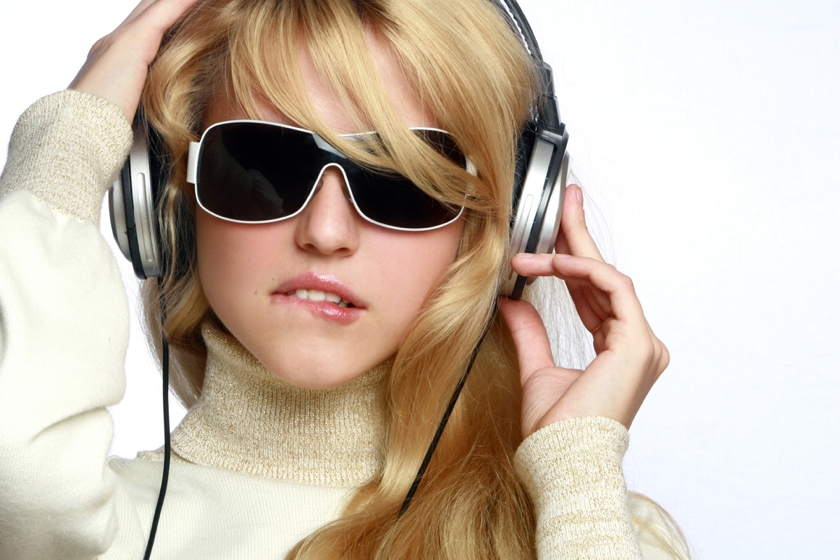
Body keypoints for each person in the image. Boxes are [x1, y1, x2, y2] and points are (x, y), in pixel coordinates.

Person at [0, 0, 690, 558]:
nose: (326, 232)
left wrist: (577, 473)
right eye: (263, 165)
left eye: (399, 180)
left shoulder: (590, 522)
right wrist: (63, 156)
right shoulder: (77, 534)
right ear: (171, 204)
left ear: (497, 229)